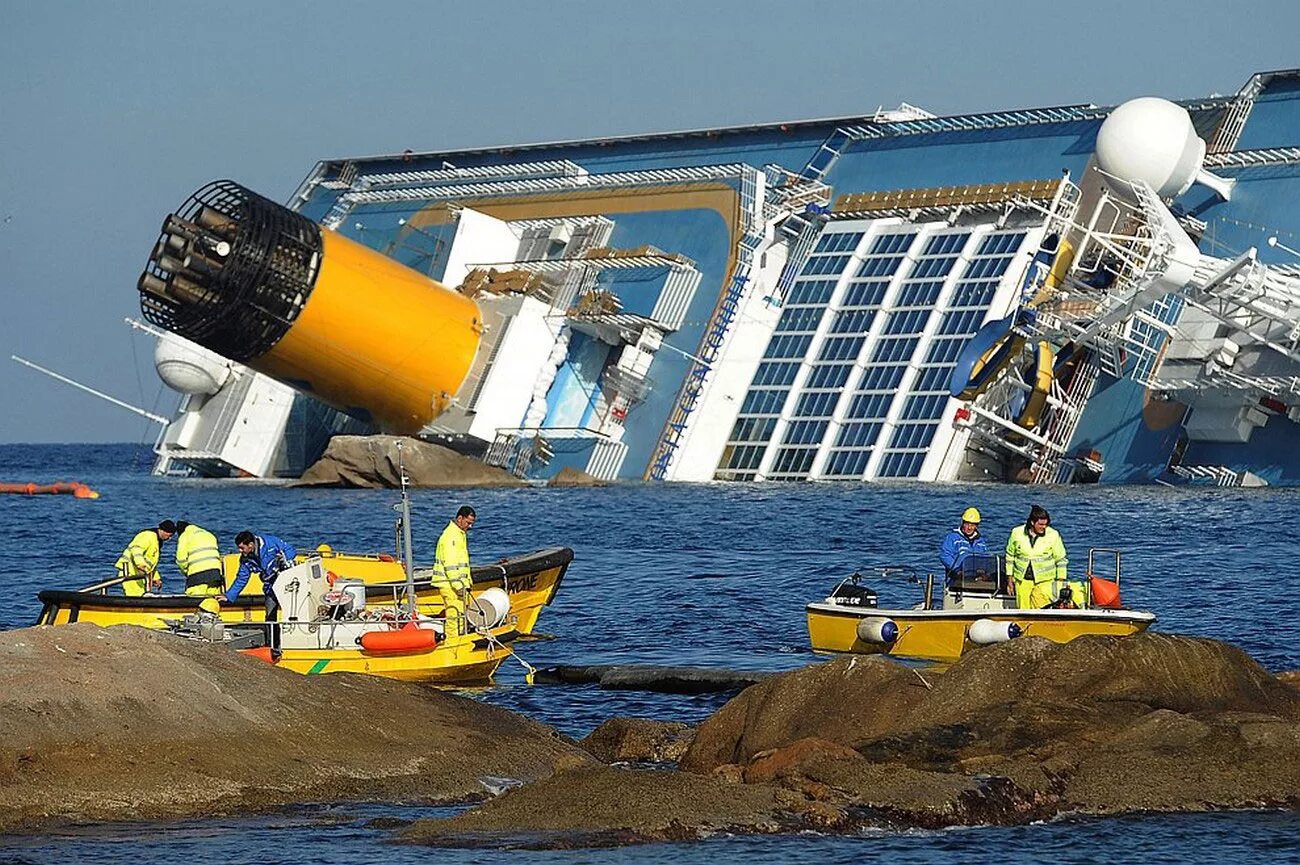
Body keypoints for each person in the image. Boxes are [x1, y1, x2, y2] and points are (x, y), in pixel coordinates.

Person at [224, 531, 297, 657]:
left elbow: (291, 550)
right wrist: (229, 595)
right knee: (270, 616)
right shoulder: (246, 560)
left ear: (251, 545)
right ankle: (272, 646)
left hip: (287, 584)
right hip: (270, 587)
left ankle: (294, 643)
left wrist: (284, 558)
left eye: (242, 547)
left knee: (293, 613)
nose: (240, 551)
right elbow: (242, 578)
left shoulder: (271, 543)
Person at [1005, 504, 1068, 608]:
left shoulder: (1053, 535)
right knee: (1023, 611)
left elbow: (1061, 560)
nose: (1044, 527)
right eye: (1041, 524)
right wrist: (1010, 579)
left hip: (1045, 581)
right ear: (1032, 522)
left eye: (1046, 525)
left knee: (1041, 610)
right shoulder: (1016, 533)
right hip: (1022, 581)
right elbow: (1010, 557)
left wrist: (1060, 581)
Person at [433, 505, 476, 635]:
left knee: (461, 615)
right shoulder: (451, 537)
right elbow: (450, 564)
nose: (470, 526)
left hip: (457, 585)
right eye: (468, 523)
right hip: (450, 585)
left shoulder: (458, 535)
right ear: (459, 519)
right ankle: (452, 644)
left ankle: (458, 640)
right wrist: (458, 586)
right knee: (454, 616)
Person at [114, 520, 176, 596]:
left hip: (139, 575)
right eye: (169, 535)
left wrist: (155, 577)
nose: (169, 538)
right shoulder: (148, 535)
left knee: (142, 595)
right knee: (135, 597)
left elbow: (151, 562)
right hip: (130, 573)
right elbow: (136, 549)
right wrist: (140, 564)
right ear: (162, 530)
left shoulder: (157, 542)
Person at [939, 507, 989, 586]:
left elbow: (984, 559)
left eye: (972, 525)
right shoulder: (952, 537)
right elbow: (945, 555)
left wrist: (984, 572)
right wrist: (957, 570)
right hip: (956, 578)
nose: (969, 528)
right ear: (962, 523)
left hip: (975, 580)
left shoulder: (981, 542)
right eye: (967, 524)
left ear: (977, 526)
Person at [174, 520, 224, 597]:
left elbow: (181, 559)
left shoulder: (185, 536)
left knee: (195, 597)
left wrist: (186, 572)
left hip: (197, 574)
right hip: (216, 572)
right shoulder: (209, 534)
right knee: (213, 598)